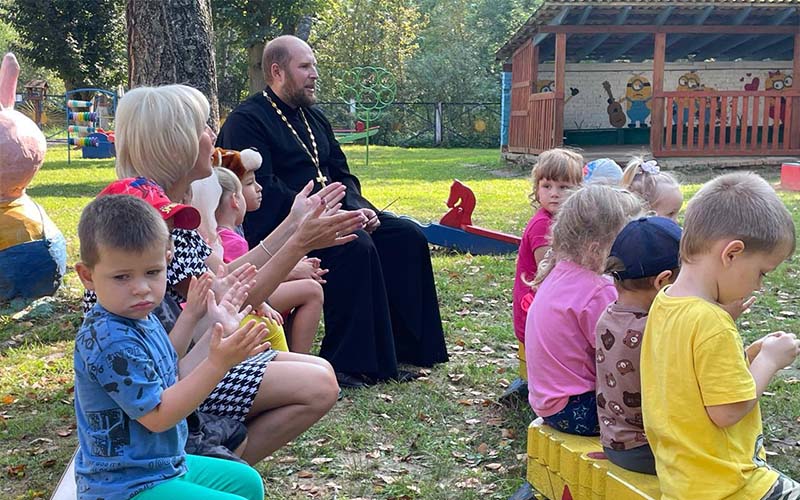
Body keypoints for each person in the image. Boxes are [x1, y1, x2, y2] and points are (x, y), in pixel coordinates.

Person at [98, 84, 365, 464]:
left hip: (184, 355)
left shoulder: (163, 205)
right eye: (204, 127)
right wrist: (298, 243)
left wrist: (292, 225)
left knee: (320, 372)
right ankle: (202, 463)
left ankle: (214, 456)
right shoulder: (152, 220)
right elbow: (223, 301)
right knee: (319, 384)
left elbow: (225, 281)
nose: (213, 136)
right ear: (178, 143)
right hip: (171, 371)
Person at [217, 35, 448, 388]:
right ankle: (350, 363)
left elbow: (341, 174)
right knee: (354, 245)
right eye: (305, 66)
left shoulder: (315, 118)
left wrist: (360, 208)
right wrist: (323, 213)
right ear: (277, 71)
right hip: (285, 225)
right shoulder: (247, 120)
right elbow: (260, 190)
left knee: (406, 237)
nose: (315, 74)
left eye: (314, 66)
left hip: (335, 211)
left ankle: (407, 348)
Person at [73, 194, 267, 500]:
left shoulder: (136, 314)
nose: (141, 288)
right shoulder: (111, 338)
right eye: (122, 276)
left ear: (167, 258)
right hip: (125, 486)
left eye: (152, 272)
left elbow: (169, 362)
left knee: (246, 482)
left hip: (160, 465)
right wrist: (218, 364)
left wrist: (207, 323)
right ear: (87, 276)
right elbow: (159, 415)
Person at [641, 172, 800, 499]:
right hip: (727, 485)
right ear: (732, 253)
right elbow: (727, 409)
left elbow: (693, 379)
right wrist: (770, 361)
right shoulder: (712, 322)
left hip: (684, 480)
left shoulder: (666, 301)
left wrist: (748, 356)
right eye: (761, 273)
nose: (759, 286)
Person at [525, 184, 643, 435]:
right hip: (578, 409)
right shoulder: (599, 290)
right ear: (596, 249)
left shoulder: (560, 270)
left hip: (548, 404)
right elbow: (621, 356)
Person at [595, 216, 681, 475]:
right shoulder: (654, 330)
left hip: (615, 443)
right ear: (663, 281)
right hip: (648, 451)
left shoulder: (607, 316)